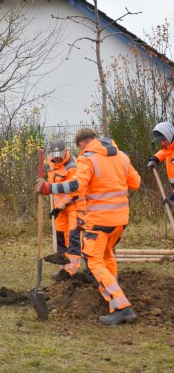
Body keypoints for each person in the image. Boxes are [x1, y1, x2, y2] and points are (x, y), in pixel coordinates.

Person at [36, 128, 141, 325]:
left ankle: (122, 307)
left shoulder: (88, 158)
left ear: (83, 143)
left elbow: (77, 186)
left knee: (94, 261)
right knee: (107, 255)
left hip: (100, 221)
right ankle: (113, 298)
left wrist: (50, 188)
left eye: (80, 147)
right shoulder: (122, 156)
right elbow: (136, 183)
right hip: (120, 219)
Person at [44, 140, 86, 281]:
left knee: (73, 240)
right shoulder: (49, 162)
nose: (57, 159)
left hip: (74, 206)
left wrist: (60, 206)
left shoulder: (72, 166)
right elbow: (51, 182)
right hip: (60, 209)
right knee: (60, 239)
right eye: (54, 156)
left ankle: (71, 273)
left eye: (59, 156)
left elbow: (74, 190)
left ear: (65, 152)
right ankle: (62, 271)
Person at [147, 121, 174, 203]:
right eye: (160, 141)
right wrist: (154, 159)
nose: (162, 143)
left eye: (164, 140)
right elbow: (164, 153)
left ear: (169, 135)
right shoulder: (169, 148)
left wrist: (172, 197)